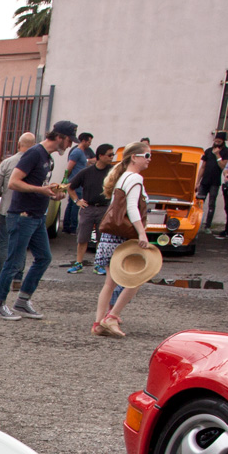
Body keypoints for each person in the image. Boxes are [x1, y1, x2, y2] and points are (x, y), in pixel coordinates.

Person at [0, 121, 75, 320]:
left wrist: (52, 194)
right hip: (22, 215)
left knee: (44, 257)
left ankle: (22, 301)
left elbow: (39, 184)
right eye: (69, 140)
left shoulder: (47, 158)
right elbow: (14, 182)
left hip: (36, 217)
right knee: (14, 261)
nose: (70, 145)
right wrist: (41, 191)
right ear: (60, 137)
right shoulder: (34, 153)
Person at [92, 143, 157, 337]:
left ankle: (98, 323)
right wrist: (142, 233)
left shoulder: (122, 177)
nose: (149, 159)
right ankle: (112, 316)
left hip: (110, 237)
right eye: (146, 155)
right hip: (123, 238)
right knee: (136, 278)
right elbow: (132, 207)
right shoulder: (135, 177)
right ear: (134, 157)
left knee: (110, 283)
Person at [66, 143, 117, 273]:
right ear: (100, 156)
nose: (112, 157)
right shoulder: (86, 172)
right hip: (88, 208)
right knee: (83, 237)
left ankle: (99, 264)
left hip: (105, 209)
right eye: (109, 155)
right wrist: (77, 201)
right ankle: (78, 263)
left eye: (113, 155)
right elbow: (70, 187)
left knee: (103, 238)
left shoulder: (113, 172)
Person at [60, 132, 92, 235]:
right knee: (76, 204)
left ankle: (67, 227)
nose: (89, 144)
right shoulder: (77, 152)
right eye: (88, 142)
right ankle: (72, 227)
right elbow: (69, 168)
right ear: (83, 141)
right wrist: (66, 181)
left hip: (78, 182)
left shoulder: (81, 152)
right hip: (75, 183)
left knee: (71, 204)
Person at [198, 133, 228, 233]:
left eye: (219, 140)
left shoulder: (226, 151)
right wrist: (197, 182)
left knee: (212, 203)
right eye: (216, 139)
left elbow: (223, 166)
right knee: (199, 203)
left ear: (223, 141)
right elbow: (203, 167)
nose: (217, 141)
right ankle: (197, 225)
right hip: (204, 182)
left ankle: (208, 226)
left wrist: (217, 154)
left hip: (215, 182)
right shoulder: (207, 151)